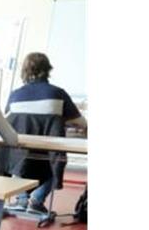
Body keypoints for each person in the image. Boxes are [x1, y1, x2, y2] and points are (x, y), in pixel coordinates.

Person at [5, 52, 88, 212]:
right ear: (48, 69)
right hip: (50, 155)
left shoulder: (15, 95)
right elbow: (81, 123)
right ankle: (37, 199)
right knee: (57, 164)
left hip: (20, 156)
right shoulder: (58, 93)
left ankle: (22, 199)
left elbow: (6, 121)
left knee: (13, 162)